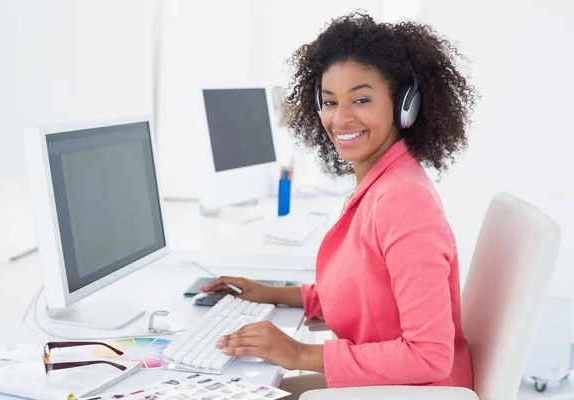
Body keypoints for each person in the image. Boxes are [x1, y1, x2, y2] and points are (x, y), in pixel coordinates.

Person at [201, 11, 478, 399]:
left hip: (418, 391)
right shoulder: (383, 183)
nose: (341, 118)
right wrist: (274, 293)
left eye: (362, 99)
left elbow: (429, 356)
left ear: (405, 106)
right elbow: (364, 295)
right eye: (329, 102)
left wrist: (297, 353)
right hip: (395, 385)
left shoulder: (404, 200)